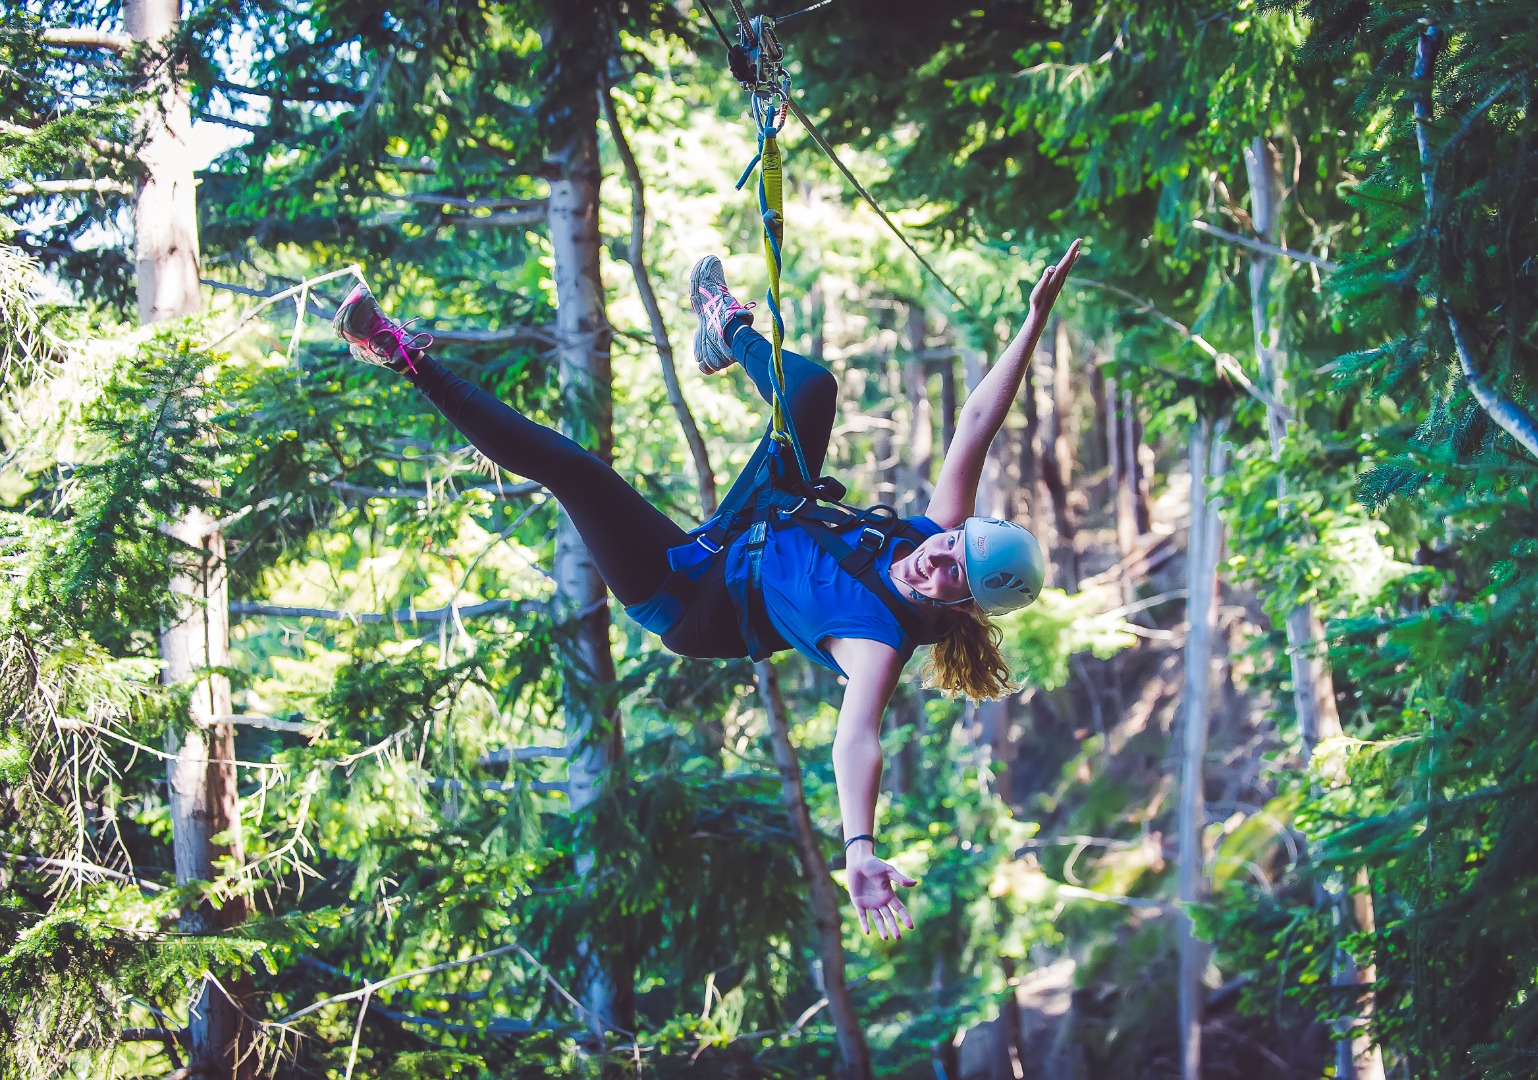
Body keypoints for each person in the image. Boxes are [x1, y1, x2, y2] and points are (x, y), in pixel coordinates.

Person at [332, 238, 1082, 939]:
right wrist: (1033, 324)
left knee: (576, 473)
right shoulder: (932, 535)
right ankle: (727, 332)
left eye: (951, 572)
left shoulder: (878, 643)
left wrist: (859, 846)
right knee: (812, 388)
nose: (934, 557)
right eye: (951, 542)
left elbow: (858, 742)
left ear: (961, 605)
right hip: (755, 521)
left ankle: (402, 355)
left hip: (688, 594)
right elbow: (977, 422)